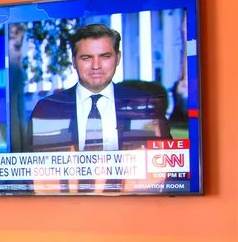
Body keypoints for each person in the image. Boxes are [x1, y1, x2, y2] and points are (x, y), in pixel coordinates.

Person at [28, 24, 171, 152]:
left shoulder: (144, 107)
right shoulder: (48, 109)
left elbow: (165, 165)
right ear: (74, 61)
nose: (96, 66)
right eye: (86, 58)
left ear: (118, 58)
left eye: (105, 56)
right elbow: (36, 170)